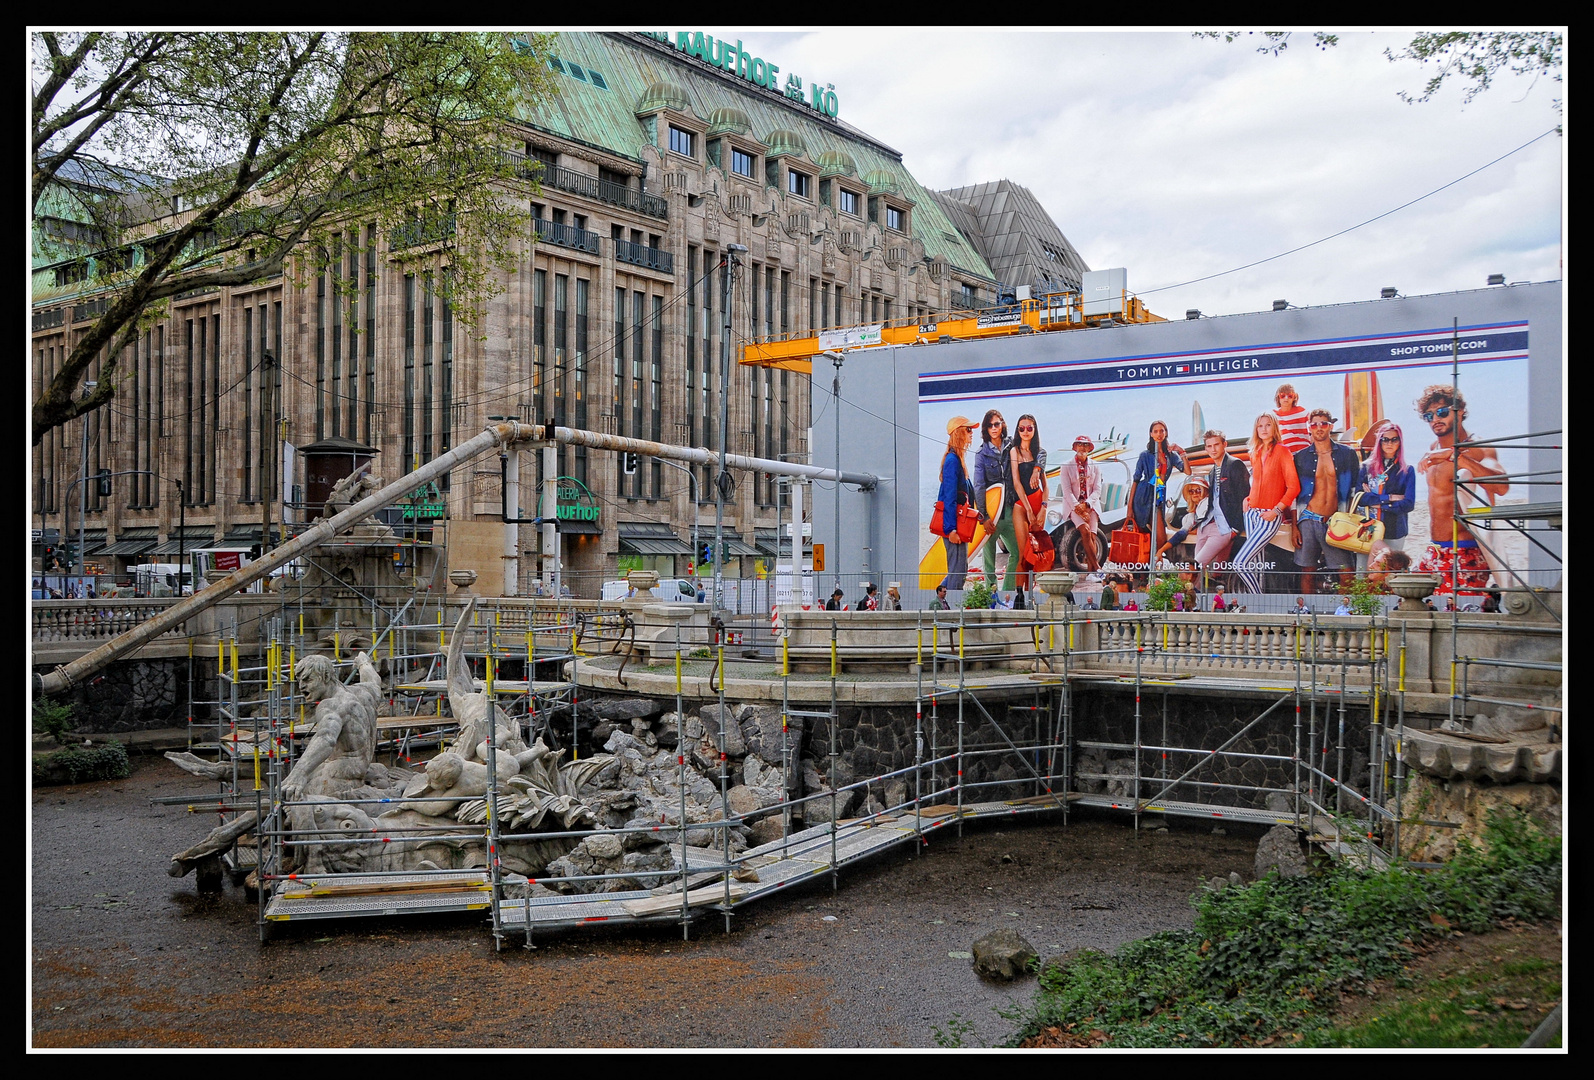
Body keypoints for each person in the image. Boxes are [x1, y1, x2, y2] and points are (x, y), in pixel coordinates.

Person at [1412, 385, 1509, 599]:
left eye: (1443, 412)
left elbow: (1502, 486)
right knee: (1411, 601)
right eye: (1429, 416)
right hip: (1436, 548)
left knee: (1456, 615)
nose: (1435, 419)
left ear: (1461, 411)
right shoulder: (1432, 447)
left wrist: (1457, 457)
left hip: (1464, 550)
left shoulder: (1478, 447)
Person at [1292, 409, 1360, 594]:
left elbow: (1355, 490)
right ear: (1309, 428)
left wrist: (1352, 521)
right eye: (1314, 424)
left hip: (1336, 520)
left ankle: (1347, 614)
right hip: (1307, 519)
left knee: (1346, 571)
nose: (1319, 428)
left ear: (1330, 426)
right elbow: (1293, 493)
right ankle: (1307, 616)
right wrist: (1294, 527)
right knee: (1307, 571)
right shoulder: (1300, 457)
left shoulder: (1347, 455)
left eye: (1323, 423)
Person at [1231, 413, 1300, 593]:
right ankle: (1258, 608)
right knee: (1256, 566)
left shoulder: (1283, 452)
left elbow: (1294, 487)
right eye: (1260, 426)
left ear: (1274, 428)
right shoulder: (1255, 452)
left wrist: (1276, 511)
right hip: (1251, 513)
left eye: (1268, 425)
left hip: (1269, 516)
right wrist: (1247, 498)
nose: (1264, 429)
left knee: (1240, 563)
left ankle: (1258, 600)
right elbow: (1257, 482)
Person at [1357, 421, 1417, 569]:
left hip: (1394, 529)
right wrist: (1389, 498)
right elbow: (1360, 498)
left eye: (1394, 439)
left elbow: (1408, 504)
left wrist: (1375, 501)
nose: (1389, 443)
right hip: (1367, 529)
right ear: (1379, 441)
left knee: (1390, 572)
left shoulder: (1406, 470)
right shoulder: (1366, 468)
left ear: (1400, 442)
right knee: (1363, 572)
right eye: (1385, 439)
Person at [972, 410, 1018, 592]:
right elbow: (979, 486)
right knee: (989, 560)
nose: (994, 428)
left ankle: (1007, 593)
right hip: (991, 514)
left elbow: (1038, 451)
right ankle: (992, 595)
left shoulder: (1012, 445)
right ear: (985, 428)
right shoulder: (981, 453)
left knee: (1018, 553)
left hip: (1010, 510)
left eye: (997, 424)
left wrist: (1038, 468)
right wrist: (983, 517)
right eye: (990, 425)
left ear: (1003, 425)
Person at [1127, 420, 1185, 560]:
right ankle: (1143, 573)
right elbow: (1135, 480)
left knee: (1160, 538)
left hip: (1159, 496)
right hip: (1142, 496)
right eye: (1156, 431)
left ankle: (1153, 567)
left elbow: (1187, 470)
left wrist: (1182, 451)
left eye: (1162, 431)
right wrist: (1129, 507)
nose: (1159, 434)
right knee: (1142, 536)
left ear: (1166, 433)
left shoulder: (1171, 455)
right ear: (1151, 434)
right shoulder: (1145, 455)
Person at [936, 415, 981, 591]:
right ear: (958, 433)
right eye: (968, 430)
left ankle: (941, 601)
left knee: (960, 570)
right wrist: (951, 530)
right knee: (957, 571)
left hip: (959, 525)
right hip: (954, 527)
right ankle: (948, 609)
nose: (971, 434)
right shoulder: (952, 461)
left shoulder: (957, 460)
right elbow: (948, 497)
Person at [1200, 429, 1249, 588]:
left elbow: (1245, 497)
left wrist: (1236, 528)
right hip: (1210, 523)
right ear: (1206, 449)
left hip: (1228, 526)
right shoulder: (1213, 471)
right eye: (1209, 446)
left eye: (1216, 445)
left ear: (1224, 445)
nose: (1213, 449)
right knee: (1198, 568)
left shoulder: (1235, 464)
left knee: (1196, 565)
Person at [1006, 413, 1050, 592]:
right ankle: (1019, 595)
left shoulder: (1039, 452)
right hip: (1021, 506)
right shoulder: (1014, 451)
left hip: (1039, 503)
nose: (1025, 431)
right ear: (1017, 430)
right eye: (1021, 428)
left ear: (1034, 430)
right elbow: (1016, 483)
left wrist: (1043, 508)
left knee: (1035, 553)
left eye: (1029, 428)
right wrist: (1030, 510)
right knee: (1023, 554)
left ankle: (1030, 594)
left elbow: (1046, 486)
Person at [1057, 434, 1103, 571]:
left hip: (1091, 505)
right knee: (1085, 530)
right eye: (1080, 444)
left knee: (1093, 536)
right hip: (1073, 506)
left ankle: (1091, 572)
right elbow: (1066, 490)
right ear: (1075, 447)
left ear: (1089, 448)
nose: (1082, 447)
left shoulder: (1095, 465)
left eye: (1085, 445)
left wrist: (1087, 504)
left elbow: (1097, 490)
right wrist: (1078, 507)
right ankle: (1097, 568)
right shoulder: (1066, 466)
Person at [1273, 383, 1311, 455]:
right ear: (1278, 397)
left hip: (1304, 450)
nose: (1286, 398)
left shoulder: (1301, 411)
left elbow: (1313, 421)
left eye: (1290, 396)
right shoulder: (1274, 415)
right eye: (1282, 396)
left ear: (1294, 397)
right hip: (1286, 452)